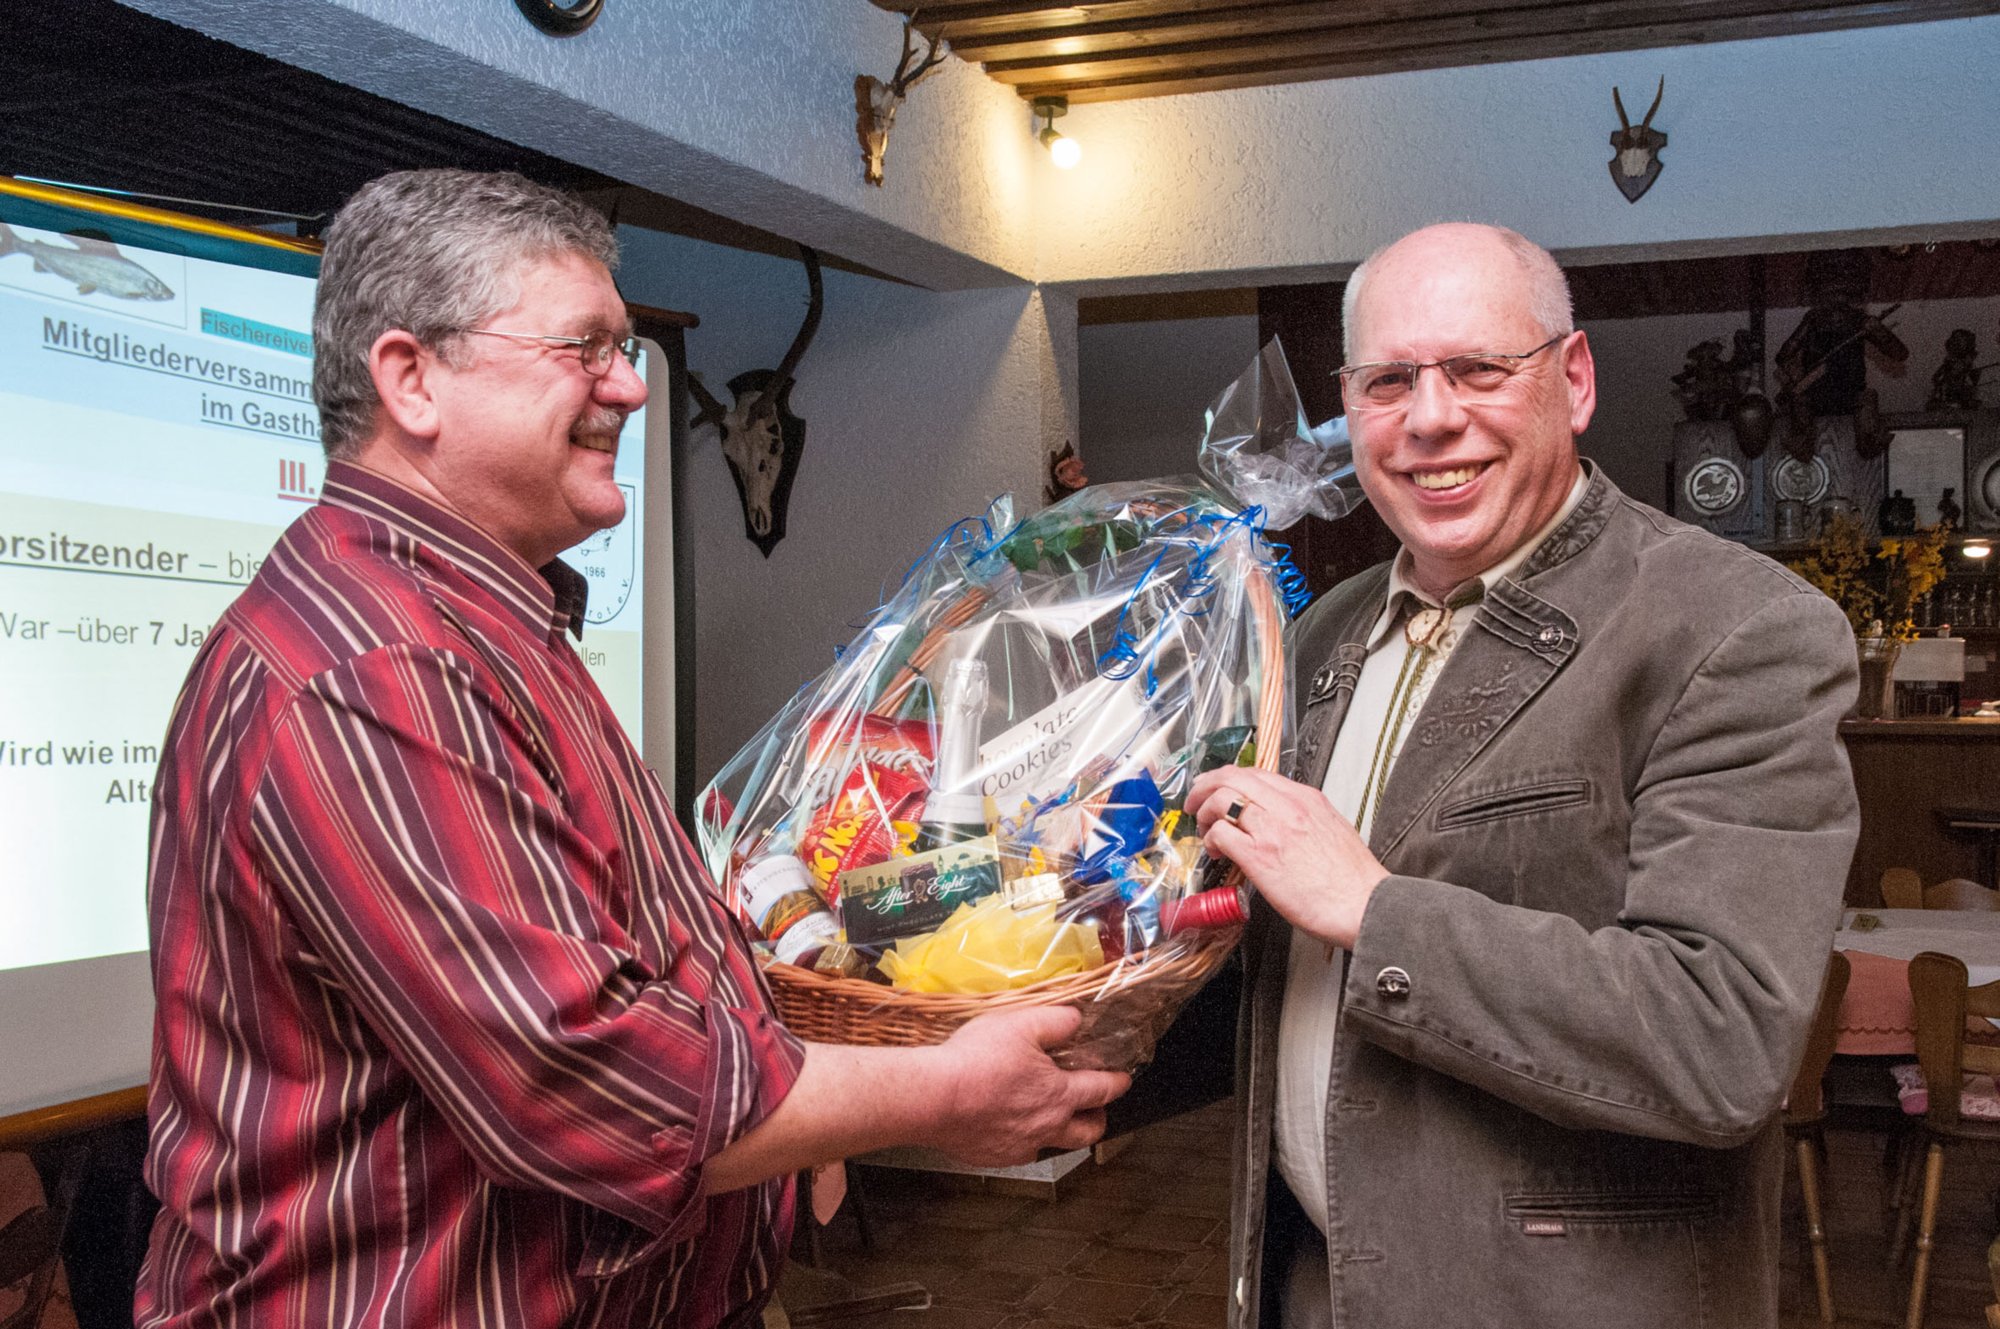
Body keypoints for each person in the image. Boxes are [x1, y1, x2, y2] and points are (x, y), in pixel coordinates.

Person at [135, 169, 1126, 1329]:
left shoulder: (476, 620)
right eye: (586, 347)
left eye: (625, 349)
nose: (630, 388)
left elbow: (621, 950)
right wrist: (940, 1093)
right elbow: (587, 1083)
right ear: (411, 378)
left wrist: (800, 1095)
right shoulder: (378, 668)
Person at [1185, 223, 1859, 1329]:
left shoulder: (1733, 629)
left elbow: (1721, 1039)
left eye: (1477, 370)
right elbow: (1278, 975)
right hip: (1318, 1291)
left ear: (1574, 379)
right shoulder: (1315, 641)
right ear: (1346, 406)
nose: (1431, 417)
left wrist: (1374, 910)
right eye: (1387, 380)